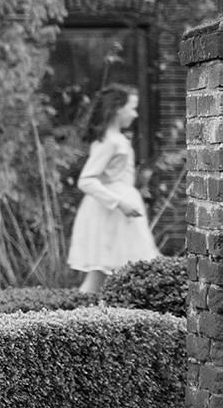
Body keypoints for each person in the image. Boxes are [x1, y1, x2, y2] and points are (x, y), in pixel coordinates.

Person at [66, 83, 160, 294]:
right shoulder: (110, 142)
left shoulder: (117, 140)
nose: (135, 114)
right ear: (118, 109)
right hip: (110, 213)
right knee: (102, 275)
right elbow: (86, 180)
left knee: (106, 277)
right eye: (132, 107)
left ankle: (99, 317)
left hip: (118, 213)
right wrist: (119, 203)